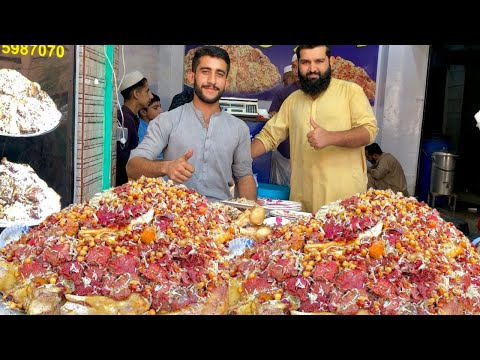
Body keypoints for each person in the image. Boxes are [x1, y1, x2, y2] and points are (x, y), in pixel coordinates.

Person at [251, 45, 378, 214]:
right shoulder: (293, 100)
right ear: (298, 65)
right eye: (305, 62)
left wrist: (330, 137)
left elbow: (369, 132)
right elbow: (269, 136)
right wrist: (241, 156)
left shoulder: (351, 92)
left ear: (331, 62)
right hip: (304, 204)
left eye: (319, 61)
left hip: (346, 205)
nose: (312, 69)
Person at [127, 45, 257, 202]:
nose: (212, 81)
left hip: (221, 218)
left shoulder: (239, 129)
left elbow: (244, 176)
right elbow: (132, 167)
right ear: (191, 77)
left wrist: (251, 216)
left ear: (226, 82)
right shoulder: (167, 120)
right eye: (205, 71)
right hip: (176, 217)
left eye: (219, 74)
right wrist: (166, 167)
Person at [116, 70, 153, 186]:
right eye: (147, 91)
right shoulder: (123, 118)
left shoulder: (133, 117)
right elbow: (120, 155)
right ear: (136, 94)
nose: (151, 96)